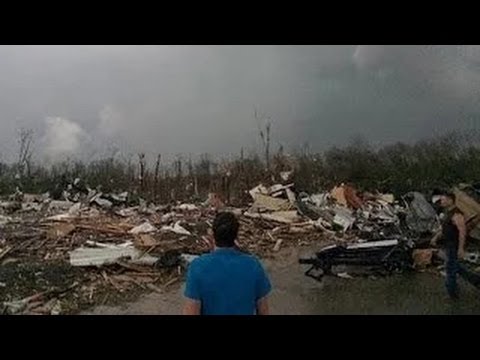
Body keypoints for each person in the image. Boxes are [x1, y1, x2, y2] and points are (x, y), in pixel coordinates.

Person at [183, 212, 272, 315]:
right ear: (236, 236)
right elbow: (263, 311)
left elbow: (191, 311)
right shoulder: (253, 266)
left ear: (212, 234)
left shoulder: (197, 267)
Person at [431, 190, 480, 298]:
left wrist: (461, 248)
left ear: (450, 200)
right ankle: (476, 280)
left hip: (453, 245)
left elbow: (462, 231)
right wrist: (435, 237)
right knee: (455, 266)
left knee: (450, 269)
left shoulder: (457, 214)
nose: (441, 202)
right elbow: (444, 228)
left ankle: (452, 294)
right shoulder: (448, 213)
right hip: (448, 244)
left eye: (443, 200)